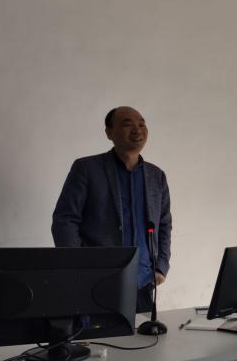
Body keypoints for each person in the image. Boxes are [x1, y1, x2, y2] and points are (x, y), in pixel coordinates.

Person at [52, 106, 172, 313]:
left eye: (142, 124)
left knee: (141, 334)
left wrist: (161, 266)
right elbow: (65, 220)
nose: (137, 130)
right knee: (95, 334)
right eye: (127, 124)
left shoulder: (156, 176)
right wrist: (78, 267)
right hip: (95, 282)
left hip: (143, 283)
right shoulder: (87, 168)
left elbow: (164, 224)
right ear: (109, 133)